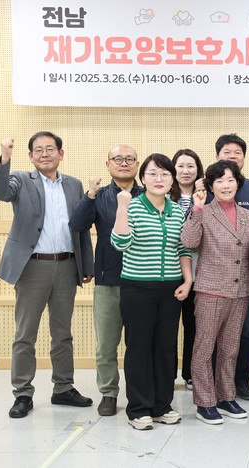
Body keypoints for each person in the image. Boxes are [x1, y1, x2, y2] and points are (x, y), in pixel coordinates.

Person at [0, 132, 94, 419]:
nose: (44, 154)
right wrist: (5, 159)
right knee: (25, 335)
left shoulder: (74, 185)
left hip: (67, 265)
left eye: (50, 149)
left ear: (61, 153)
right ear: (30, 156)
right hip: (32, 267)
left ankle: (63, 388)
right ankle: (22, 393)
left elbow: (81, 227)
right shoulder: (21, 179)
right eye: (38, 150)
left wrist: (86, 265)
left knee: (63, 334)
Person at [111, 153, 193, 430]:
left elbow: (182, 248)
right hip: (137, 289)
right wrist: (122, 207)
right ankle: (138, 408)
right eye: (153, 174)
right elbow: (120, 242)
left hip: (170, 290)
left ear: (172, 180)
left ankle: (161, 405)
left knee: (165, 348)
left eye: (165, 174)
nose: (159, 179)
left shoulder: (176, 211)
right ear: (143, 178)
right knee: (139, 348)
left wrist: (187, 281)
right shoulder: (133, 206)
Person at [181, 160, 249, 425]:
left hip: (241, 292)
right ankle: (205, 402)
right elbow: (189, 242)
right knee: (204, 349)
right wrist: (196, 209)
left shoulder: (248, 216)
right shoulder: (203, 212)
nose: (226, 185)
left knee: (230, 349)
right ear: (210, 185)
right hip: (211, 291)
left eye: (231, 180)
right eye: (219, 181)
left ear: (238, 183)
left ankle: (226, 397)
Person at [70, 144, 142, 417]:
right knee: (106, 346)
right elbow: (77, 225)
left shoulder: (149, 195)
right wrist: (89, 194)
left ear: (137, 164)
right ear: (107, 164)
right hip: (107, 279)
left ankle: (138, 394)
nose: (124, 163)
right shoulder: (98, 196)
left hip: (141, 281)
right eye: (117, 159)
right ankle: (109, 394)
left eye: (129, 159)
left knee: (139, 345)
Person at [210, 133, 249, 401]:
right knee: (213, 333)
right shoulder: (206, 187)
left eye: (238, 153)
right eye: (227, 152)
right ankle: (214, 382)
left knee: (245, 333)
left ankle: (241, 381)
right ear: (217, 156)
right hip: (212, 279)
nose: (233, 157)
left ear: (244, 158)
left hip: (244, 279)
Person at [170, 149, 205, 391]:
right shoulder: (163, 196)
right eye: (180, 166)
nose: (185, 171)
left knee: (194, 325)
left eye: (190, 166)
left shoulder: (206, 197)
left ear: (198, 170)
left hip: (200, 271)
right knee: (169, 326)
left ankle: (191, 374)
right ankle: (168, 372)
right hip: (171, 269)